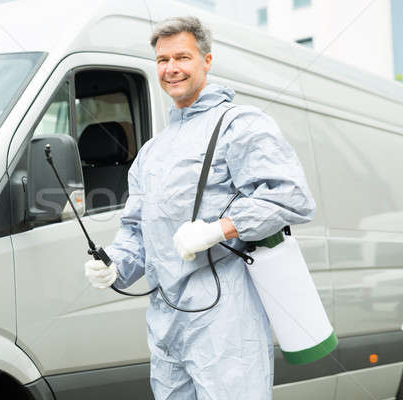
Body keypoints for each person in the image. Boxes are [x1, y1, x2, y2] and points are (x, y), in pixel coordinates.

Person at [84, 16, 316, 400]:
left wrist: (220, 228)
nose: (171, 69)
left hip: (225, 322)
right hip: (166, 323)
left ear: (206, 61)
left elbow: (290, 196)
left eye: (182, 57)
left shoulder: (238, 124)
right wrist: (113, 265)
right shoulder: (150, 153)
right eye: (162, 60)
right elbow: (137, 233)